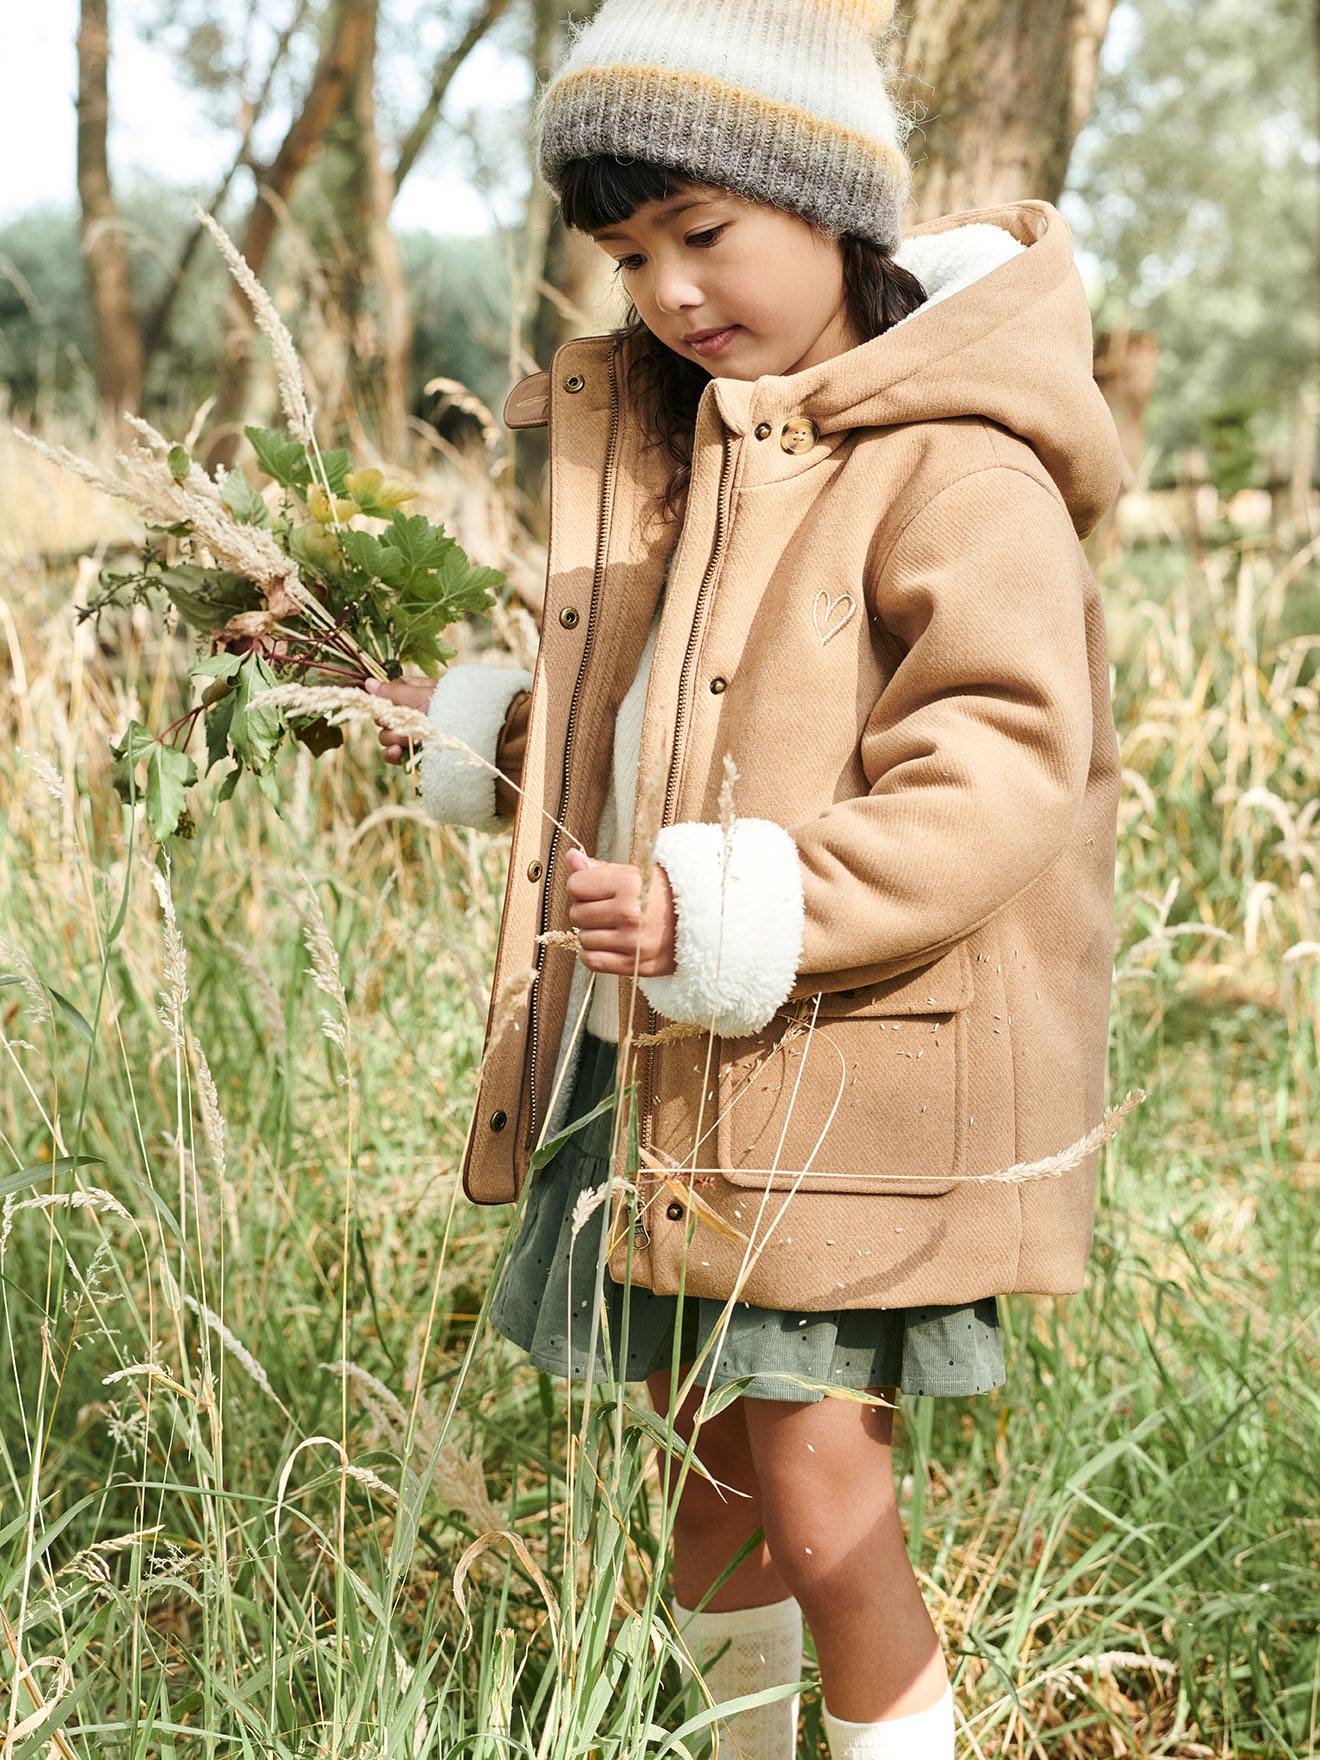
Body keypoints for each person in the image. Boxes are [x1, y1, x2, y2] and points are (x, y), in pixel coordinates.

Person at [367, 2, 1126, 1755]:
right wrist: (471, 724)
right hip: (678, 1074)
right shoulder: (710, 440)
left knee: (823, 1506)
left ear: (833, 206)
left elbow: (998, 769)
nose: (671, 294)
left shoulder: (953, 462)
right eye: (632, 255)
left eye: (705, 234)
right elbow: (655, 723)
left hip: (839, 1090)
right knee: (715, 1490)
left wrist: (724, 908)